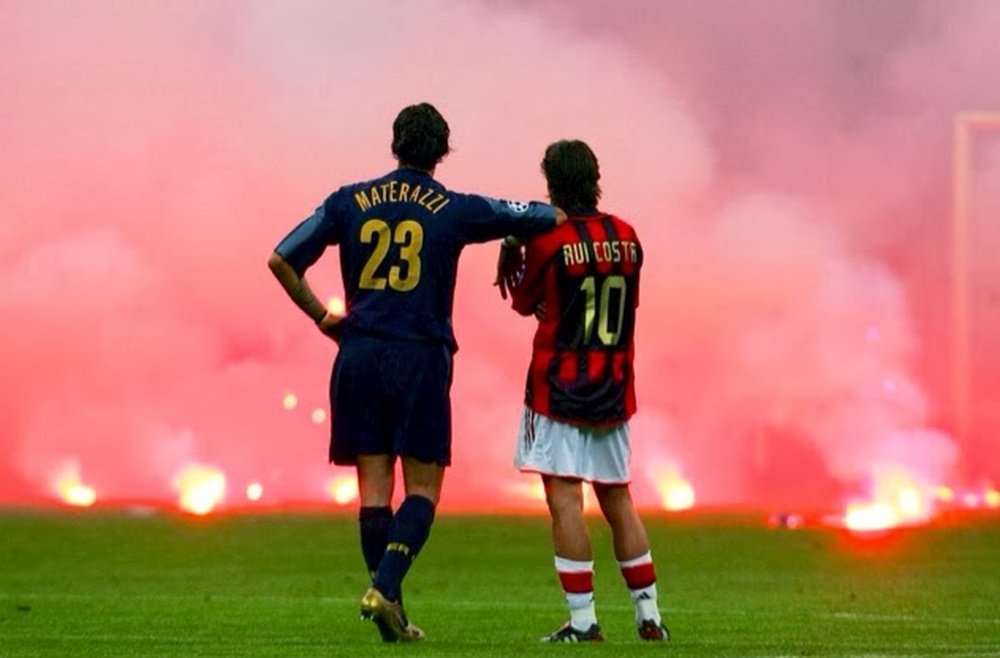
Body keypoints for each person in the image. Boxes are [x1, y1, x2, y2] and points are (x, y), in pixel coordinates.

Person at [267, 103, 565, 643]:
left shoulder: (349, 200)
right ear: (442, 151)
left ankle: (393, 612)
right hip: (420, 357)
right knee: (423, 489)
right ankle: (384, 591)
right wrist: (513, 240)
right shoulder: (455, 208)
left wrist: (323, 318)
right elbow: (543, 215)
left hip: (358, 354)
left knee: (374, 492)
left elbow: (282, 258)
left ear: (395, 144)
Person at [501, 139, 670, 642]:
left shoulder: (548, 240)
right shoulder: (628, 235)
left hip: (559, 386)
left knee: (565, 501)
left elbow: (523, 301)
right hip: (615, 385)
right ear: (595, 177)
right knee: (618, 498)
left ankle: (583, 621)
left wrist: (515, 247)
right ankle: (649, 615)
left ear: (550, 182)